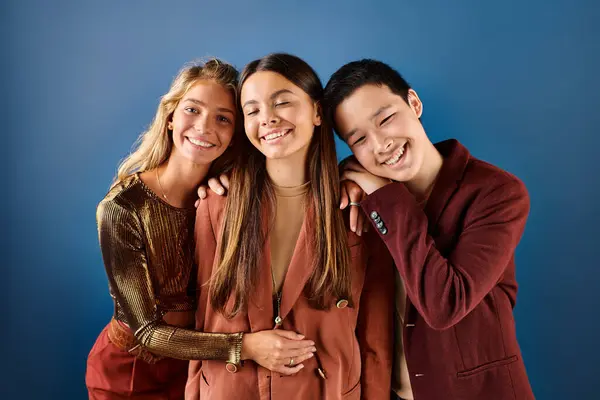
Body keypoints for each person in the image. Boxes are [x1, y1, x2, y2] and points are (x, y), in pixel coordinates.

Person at [86, 58, 315, 399]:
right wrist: (246, 347)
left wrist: (356, 181)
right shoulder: (122, 208)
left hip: (205, 366)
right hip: (132, 370)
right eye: (192, 110)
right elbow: (147, 330)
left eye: (223, 118)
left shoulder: (228, 194)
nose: (205, 127)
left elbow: (302, 180)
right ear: (170, 117)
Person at [324, 59, 535, 400]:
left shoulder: (496, 192)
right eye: (360, 139)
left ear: (414, 103)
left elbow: (445, 305)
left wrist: (385, 196)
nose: (380, 144)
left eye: (386, 119)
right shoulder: (360, 199)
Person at [187, 53, 394, 400]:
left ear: (316, 112)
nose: (267, 118)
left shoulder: (357, 210)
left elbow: (376, 337)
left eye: (281, 102)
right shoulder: (216, 203)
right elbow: (203, 316)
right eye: (252, 110)